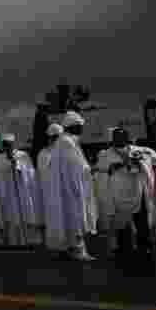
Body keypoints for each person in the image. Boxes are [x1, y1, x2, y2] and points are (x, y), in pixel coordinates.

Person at [98, 128, 156, 267]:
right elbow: (100, 170)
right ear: (112, 139)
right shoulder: (105, 154)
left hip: (138, 192)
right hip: (118, 195)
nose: (119, 139)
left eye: (122, 136)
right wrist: (115, 166)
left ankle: (145, 249)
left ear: (127, 137)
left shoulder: (139, 150)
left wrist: (141, 163)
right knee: (122, 225)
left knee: (142, 223)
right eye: (116, 137)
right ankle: (124, 250)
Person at [46, 111, 97, 261]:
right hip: (72, 188)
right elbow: (76, 168)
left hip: (68, 187)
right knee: (76, 217)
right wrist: (89, 169)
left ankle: (72, 247)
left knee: (70, 217)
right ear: (73, 127)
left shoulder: (64, 142)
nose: (82, 129)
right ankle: (78, 250)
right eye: (80, 126)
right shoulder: (67, 142)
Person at [0, 134, 37, 248]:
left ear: (13, 144)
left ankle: (26, 241)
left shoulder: (23, 156)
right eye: (5, 145)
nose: (7, 147)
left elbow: (30, 172)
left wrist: (18, 167)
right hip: (6, 194)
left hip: (21, 192)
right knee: (10, 218)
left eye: (9, 145)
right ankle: (12, 242)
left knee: (22, 217)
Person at [37, 123, 65, 252]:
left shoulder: (64, 151)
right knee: (53, 219)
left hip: (63, 192)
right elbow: (45, 173)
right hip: (51, 192)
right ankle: (55, 245)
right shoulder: (44, 153)